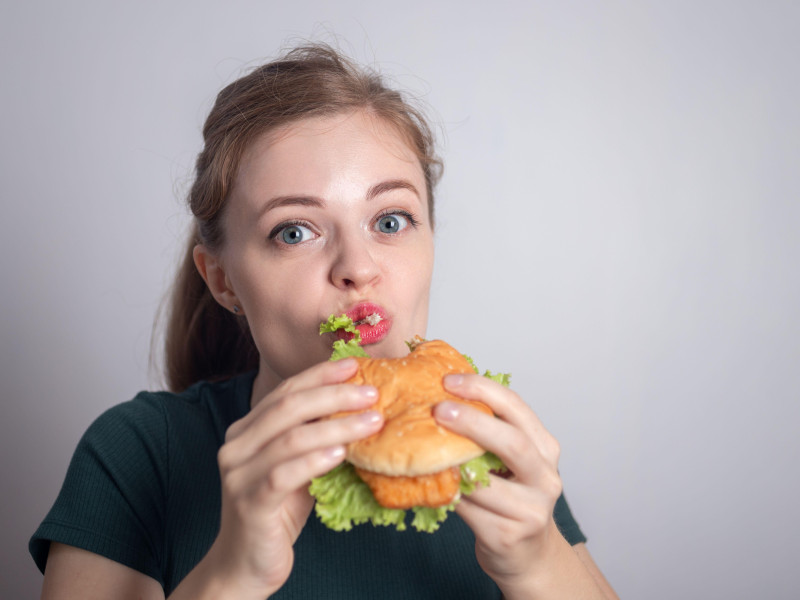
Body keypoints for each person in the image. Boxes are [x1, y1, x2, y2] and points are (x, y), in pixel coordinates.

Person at [30, 43, 618, 599]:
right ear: (222, 279)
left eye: (390, 221)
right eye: (294, 232)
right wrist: (233, 574)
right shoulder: (138, 453)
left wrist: (539, 561)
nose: (358, 269)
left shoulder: (492, 448)